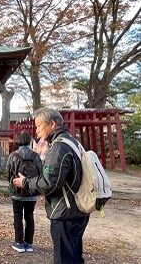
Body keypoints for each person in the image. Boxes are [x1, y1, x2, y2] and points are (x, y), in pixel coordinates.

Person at [13, 108, 90, 264]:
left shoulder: (59, 147)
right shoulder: (72, 141)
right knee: (74, 256)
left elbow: (50, 183)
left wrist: (25, 182)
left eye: (39, 126)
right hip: (78, 208)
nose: (37, 131)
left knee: (63, 259)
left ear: (52, 124)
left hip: (65, 212)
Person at [6, 131, 42, 253]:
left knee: (17, 216)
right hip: (32, 191)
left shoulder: (13, 156)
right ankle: (29, 243)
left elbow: (8, 173)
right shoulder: (36, 156)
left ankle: (19, 243)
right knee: (29, 216)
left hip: (17, 191)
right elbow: (41, 173)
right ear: (29, 140)